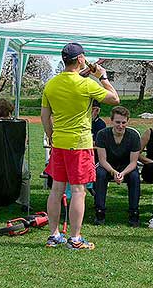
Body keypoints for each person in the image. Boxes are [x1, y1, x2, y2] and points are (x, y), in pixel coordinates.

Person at [41, 42, 119, 250]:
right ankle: (75, 238)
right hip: (80, 144)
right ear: (81, 59)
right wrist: (102, 76)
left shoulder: (51, 84)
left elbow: (45, 115)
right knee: (78, 191)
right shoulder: (87, 85)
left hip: (59, 143)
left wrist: (51, 136)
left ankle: (53, 235)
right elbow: (114, 98)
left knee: (56, 189)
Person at [94, 106, 141, 227]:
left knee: (135, 176)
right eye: (118, 122)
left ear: (127, 122)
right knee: (100, 174)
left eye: (124, 122)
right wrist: (113, 172)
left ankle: (134, 212)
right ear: (111, 121)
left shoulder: (133, 136)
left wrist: (123, 173)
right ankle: (100, 211)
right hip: (107, 164)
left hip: (127, 166)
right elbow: (102, 160)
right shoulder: (102, 134)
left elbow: (133, 162)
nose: (120, 125)